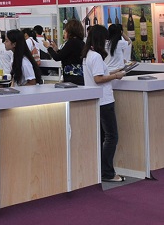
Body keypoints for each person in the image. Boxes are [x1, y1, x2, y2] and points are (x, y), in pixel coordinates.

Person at [81, 24, 126, 182]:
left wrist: (115, 72)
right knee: (112, 136)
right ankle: (107, 172)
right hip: (104, 101)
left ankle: (101, 171)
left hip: (97, 101)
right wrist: (115, 76)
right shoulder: (96, 56)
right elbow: (98, 78)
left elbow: (100, 73)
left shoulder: (88, 55)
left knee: (102, 137)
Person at [46, 19, 85, 85]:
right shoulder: (81, 42)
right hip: (79, 76)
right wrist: (57, 50)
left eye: (65, 32)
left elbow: (57, 57)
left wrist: (49, 48)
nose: (64, 34)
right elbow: (66, 54)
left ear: (70, 32)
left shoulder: (71, 42)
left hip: (71, 78)